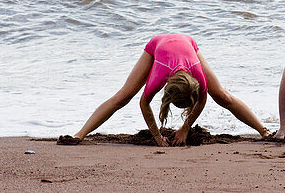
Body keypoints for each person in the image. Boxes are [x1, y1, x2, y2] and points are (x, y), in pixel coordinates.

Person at [63, 33, 269, 146]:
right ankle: (80, 134)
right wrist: (157, 137)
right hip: (157, 45)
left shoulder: (198, 78)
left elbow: (203, 99)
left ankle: (264, 131)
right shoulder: (159, 76)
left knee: (222, 96)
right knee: (123, 97)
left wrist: (185, 128)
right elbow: (143, 103)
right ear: (167, 94)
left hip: (188, 43)